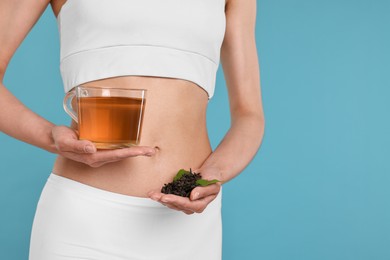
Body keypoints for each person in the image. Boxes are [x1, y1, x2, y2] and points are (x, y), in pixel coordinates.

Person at [0, 0, 264, 259]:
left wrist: (215, 173)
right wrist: (50, 137)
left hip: (188, 226)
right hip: (85, 218)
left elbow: (249, 115)